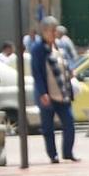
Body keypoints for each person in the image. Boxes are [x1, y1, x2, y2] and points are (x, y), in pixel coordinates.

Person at [29, 16, 78, 165]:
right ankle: (53, 155)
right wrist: (43, 92)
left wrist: (71, 70)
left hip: (63, 93)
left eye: (55, 30)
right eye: (52, 30)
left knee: (69, 123)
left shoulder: (59, 46)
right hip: (47, 95)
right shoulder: (38, 49)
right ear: (44, 31)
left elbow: (66, 63)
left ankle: (68, 153)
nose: (54, 33)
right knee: (48, 127)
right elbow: (37, 72)